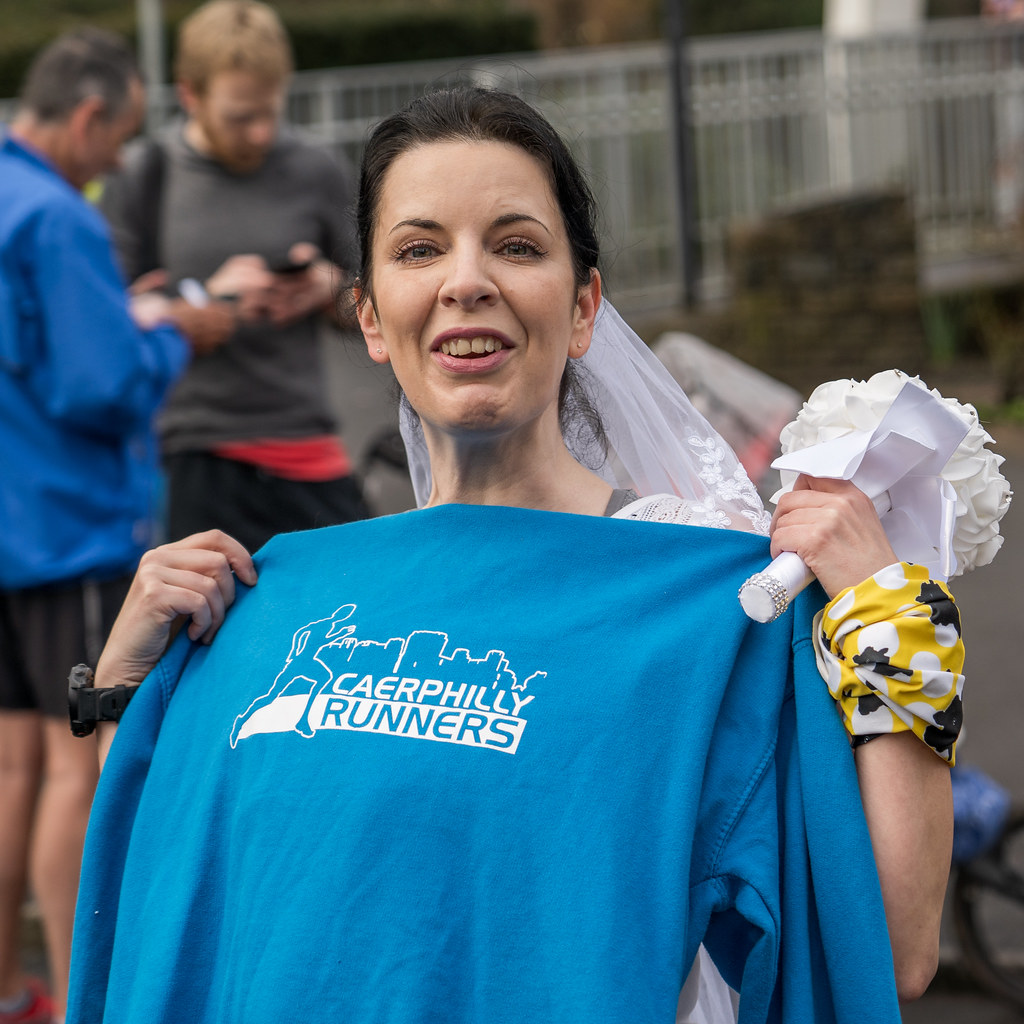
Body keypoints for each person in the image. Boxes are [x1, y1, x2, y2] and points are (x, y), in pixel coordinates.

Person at [67, 87, 961, 1023]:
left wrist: (891, 617)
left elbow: (890, 950)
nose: (466, 280)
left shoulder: (712, 606)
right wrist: (126, 687)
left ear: (583, 309)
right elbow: (158, 892)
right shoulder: (274, 597)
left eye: (517, 244)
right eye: (420, 249)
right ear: (370, 317)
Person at [0, 27, 202, 1024]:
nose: (120, 160)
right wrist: (170, 335)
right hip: (69, 528)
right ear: (86, 117)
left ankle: (10, 993)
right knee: (77, 768)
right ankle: (92, 1000)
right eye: (118, 136)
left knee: (11, 767)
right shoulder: (59, 216)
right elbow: (99, 386)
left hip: (5, 524)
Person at [99, 0, 370, 555]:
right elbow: (105, 324)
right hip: (193, 454)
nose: (260, 132)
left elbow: (372, 307)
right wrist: (209, 300)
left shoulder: (314, 169)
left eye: (271, 110)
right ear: (189, 95)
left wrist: (326, 290)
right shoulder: (144, 177)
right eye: (240, 117)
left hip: (307, 445)